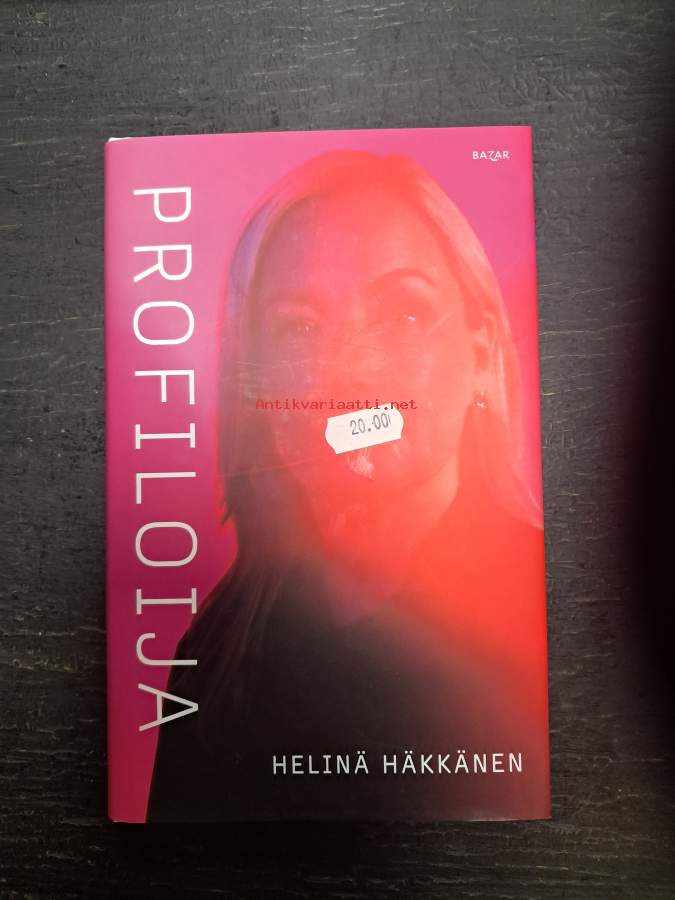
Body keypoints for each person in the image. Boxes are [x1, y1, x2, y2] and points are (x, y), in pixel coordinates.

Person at [147, 150, 550, 821]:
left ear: (480, 353)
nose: (351, 374)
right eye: (299, 328)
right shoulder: (211, 654)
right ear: (254, 383)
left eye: (406, 315)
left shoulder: (547, 612)